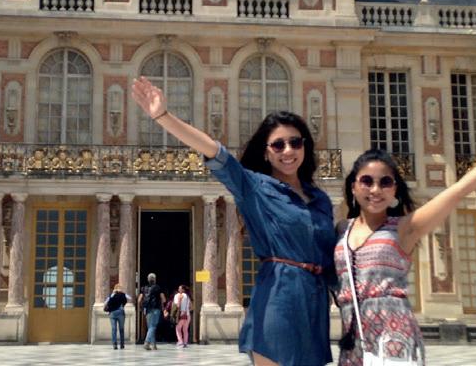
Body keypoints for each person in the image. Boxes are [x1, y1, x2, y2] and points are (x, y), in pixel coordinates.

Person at [132, 77, 336, 366]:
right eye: (278, 145)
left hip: (315, 304)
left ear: (305, 146)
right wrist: (164, 116)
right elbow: (216, 153)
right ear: (266, 152)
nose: (288, 150)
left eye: (295, 142)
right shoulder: (255, 187)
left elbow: (332, 260)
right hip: (279, 298)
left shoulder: (320, 199)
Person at [335, 128, 476, 365]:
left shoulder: (404, 228)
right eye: (366, 181)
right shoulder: (342, 230)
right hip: (353, 337)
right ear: (353, 187)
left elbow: (457, 192)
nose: (375, 190)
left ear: (394, 190)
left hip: (392, 335)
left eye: (385, 182)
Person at [136, 273, 165, 350]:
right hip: (156, 308)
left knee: (150, 327)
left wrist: (141, 307)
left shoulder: (143, 288)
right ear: (154, 280)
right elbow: (163, 299)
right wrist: (163, 306)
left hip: (147, 309)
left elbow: (139, 300)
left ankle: (153, 345)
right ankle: (147, 342)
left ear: (148, 280)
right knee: (153, 326)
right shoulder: (158, 288)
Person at [105, 284, 128, 349]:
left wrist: (113, 294)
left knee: (114, 329)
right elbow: (125, 301)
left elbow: (108, 302)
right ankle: (122, 344)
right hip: (120, 313)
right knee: (121, 329)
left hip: (112, 313)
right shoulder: (122, 295)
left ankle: (114, 344)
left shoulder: (112, 295)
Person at [170, 284, 192, 349]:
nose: (178, 289)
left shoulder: (178, 295)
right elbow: (191, 306)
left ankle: (180, 341)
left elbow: (177, 305)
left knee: (178, 328)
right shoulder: (188, 296)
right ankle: (185, 342)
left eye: (180, 288)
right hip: (187, 315)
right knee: (185, 329)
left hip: (181, 315)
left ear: (183, 289)